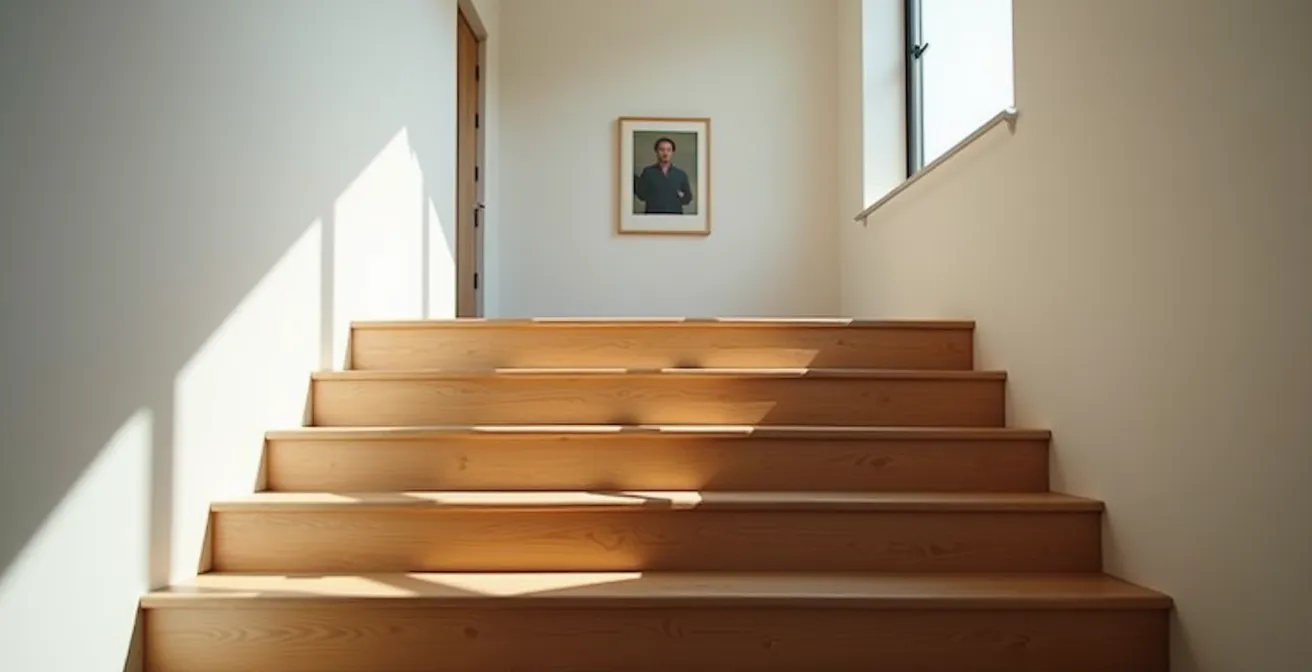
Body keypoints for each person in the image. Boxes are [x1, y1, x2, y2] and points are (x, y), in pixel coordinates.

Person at [633, 136, 693, 214]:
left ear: (672, 153)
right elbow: (641, 195)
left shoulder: (681, 174)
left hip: (675, 218)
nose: (665, 153)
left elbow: (688, 198)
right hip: (652, 218)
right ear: (656, 152)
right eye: (662, 150)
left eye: (668, 150)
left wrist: (680, 196)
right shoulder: (648, 172)